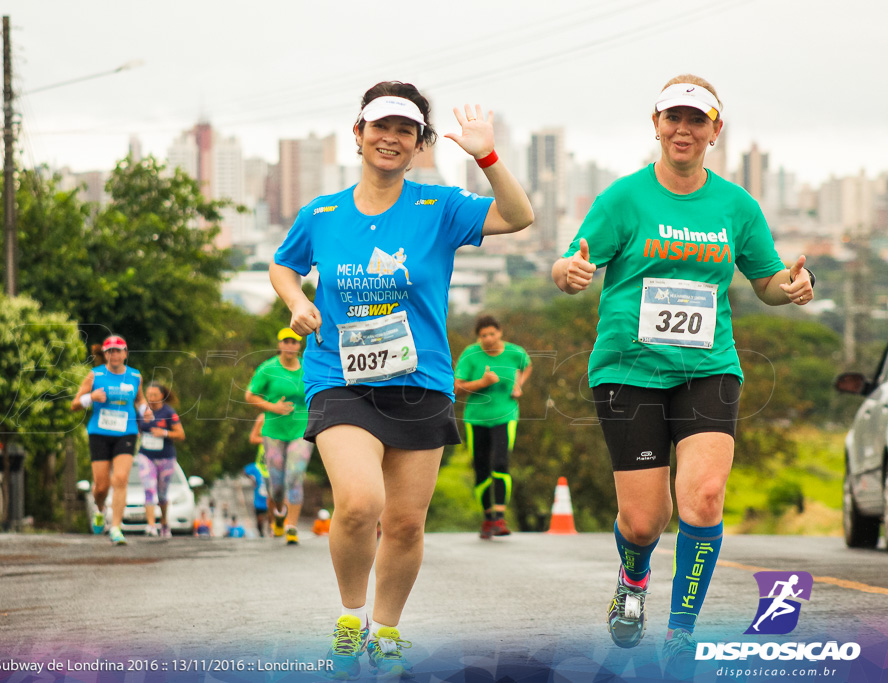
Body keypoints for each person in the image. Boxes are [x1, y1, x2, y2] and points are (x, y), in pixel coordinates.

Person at [550, 75, 814, 675]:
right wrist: (568, 271)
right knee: (644, 522)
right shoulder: (624, 198)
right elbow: (574, 260)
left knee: (704, 498)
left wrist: (792, 288)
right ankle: (633, 578)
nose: (683, 129)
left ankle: (681, 633)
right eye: (674, 117)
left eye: (697, 120)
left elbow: (767, 281)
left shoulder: (737, 207)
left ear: (715, 131)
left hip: (709, 368)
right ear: (656, 123)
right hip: (629, 370)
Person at [270, 81, 533, 679]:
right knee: (361, 504)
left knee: (407, 522)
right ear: (358, 133)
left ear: (419, 145)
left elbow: (519, 217)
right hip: (339, 376)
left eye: (406, 131)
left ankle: (386, 628)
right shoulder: (323, 213)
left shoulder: (438, 208)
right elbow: (284, 263)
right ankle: (349, 613)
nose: (391, 139)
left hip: (421, 380)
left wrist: (486, 157)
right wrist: (297, 300)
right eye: (381, 127)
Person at [454, 315, 532, 540]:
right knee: (480, 467)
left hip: (506, 416)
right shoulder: (471, 355)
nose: (488, 338)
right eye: (483, 335)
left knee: (500, 462)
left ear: (500, 332)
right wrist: (482, 383)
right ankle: (488, 518)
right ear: (478, 337)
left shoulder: (515, 352)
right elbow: (457, 388)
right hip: (476, 418)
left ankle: (499, 516)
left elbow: (526, 367)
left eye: (492, 333)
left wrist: (518, 385)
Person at [70, 336, 152, 546]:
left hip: (126, 432)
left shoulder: (135, 376)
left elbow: (139, 399)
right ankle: (99, 509)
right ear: (105, 355)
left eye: (118, 351)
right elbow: (75, 404)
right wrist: (91, 398)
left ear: (125, 353)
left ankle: (116, 527)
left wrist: (144, 410)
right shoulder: (95, 375)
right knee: (101, 487)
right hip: (100, 432)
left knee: (121, 478)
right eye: (110, 351)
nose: (114, 355)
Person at [245, 328, 313, 546]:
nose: (291, 346)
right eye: (287, 341)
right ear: (280, 344)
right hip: (273, 431)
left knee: (295, 475)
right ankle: (280, 514)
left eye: (295, 342)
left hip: (301, 430)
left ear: (299, 345)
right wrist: (272, 407)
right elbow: (250, 395)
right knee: (276, 485)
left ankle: (291, 527)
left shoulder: (307, 367)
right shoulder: (268, 368)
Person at [135, 382, 185, 538]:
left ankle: (163, 522)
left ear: (162, 396)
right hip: (146, 455)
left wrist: (164, 433)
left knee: (162, 494)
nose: (151, 398)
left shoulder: (169, 412)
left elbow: (181, 435)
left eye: (155, 395)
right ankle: (151, 525)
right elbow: (137, 428)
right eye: (148, 394)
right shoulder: (143, 411)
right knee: (149, 489)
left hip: (166, 458)